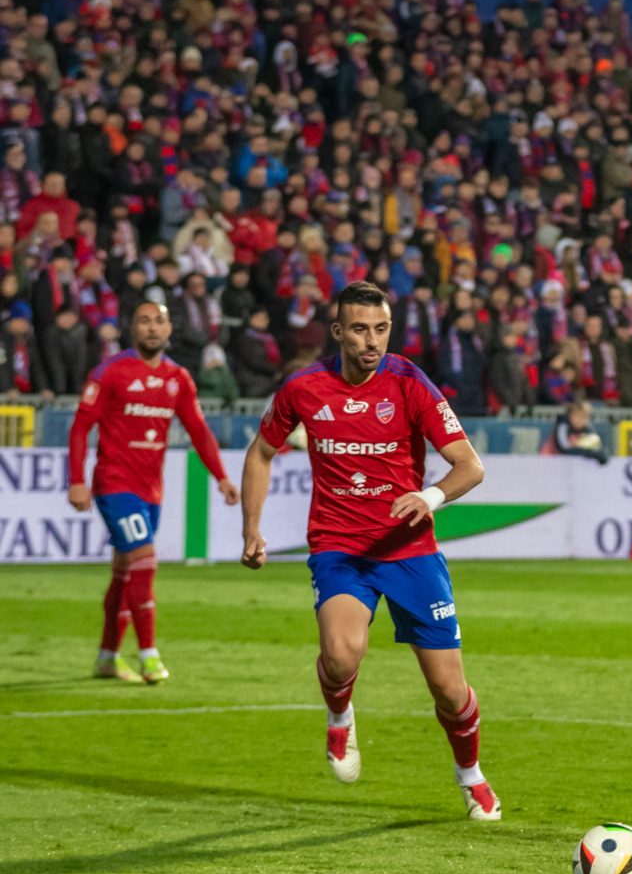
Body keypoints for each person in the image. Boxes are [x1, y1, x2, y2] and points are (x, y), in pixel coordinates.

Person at [238, 281, 500, 821]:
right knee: (340, 654)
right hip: (340, 548)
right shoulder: (304, 386)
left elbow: (470, 466)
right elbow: (261, 452)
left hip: (411, 551)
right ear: (337, 332)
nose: (372, 341)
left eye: (380, 329)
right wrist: (252, 529)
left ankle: (470, 774)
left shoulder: (409, 382)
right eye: (359, 329)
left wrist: (428, 497)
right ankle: (340, 717)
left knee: (450, 691)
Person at [66, 301, 239, 684]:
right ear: (132, 328)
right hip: (115, 484)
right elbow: (80, 427)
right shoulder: (111, 371)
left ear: (169, 330)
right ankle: (149, 656)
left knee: (125, 572)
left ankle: (107, 657)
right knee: (145, 560)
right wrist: (76, 479)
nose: (152, 328)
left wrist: (222, 477)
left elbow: (198, 430)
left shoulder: (178, 377)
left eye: (159, 321)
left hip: (150, 490)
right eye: (144, 320)